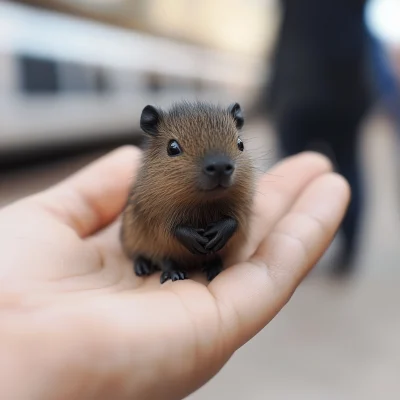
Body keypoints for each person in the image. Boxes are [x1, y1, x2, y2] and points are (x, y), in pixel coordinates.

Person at [0, 146, 349, 399]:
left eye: (235, 148)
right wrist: (177, 237)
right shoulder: (153, 191)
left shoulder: (241, 187)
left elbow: (241, 218)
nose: (218, 168)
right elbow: (154, 223)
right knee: (140, 236)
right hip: (159, 249)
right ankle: (155, 261)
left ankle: (209, 262)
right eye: (177, 150)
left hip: (217, 251)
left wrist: (226, 229)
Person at [264, 0, 376, 275]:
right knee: (346, 173)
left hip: (299, 89)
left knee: (292, 177)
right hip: (343, 89)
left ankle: (288, 251)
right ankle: (346, 256)